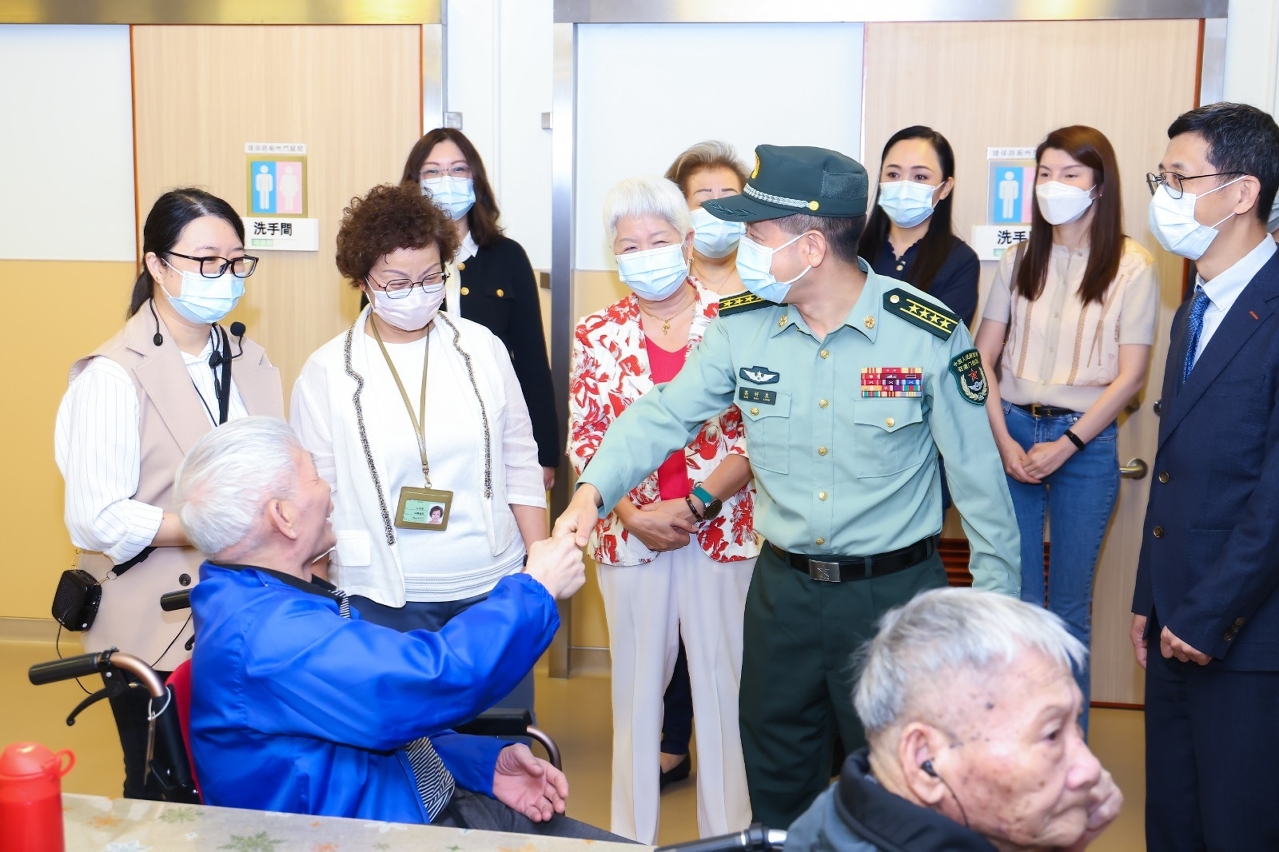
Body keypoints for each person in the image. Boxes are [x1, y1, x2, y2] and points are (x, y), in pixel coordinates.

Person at [554, 144, 1020, 830]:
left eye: (755, 233)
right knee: (775, 791)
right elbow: (662, 415)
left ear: (810, 247)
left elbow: (983, 495)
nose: (739, 245)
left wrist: (996, 635)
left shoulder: (925, 333)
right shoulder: (743, 329)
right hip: (782, 599)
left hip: (891, 601)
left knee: (900, 798)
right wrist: (590, 494)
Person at [175, 417, 616, 839]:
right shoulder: (269, 635)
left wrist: (481, 764)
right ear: (283, 516)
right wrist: (536, 588)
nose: (329, 490)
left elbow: (363, 731)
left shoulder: (264, 601)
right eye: (315, 476)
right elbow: (429, 679)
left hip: (415, 804)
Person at [53, 188, 283, 800]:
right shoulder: (112, 375)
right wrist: (213, 524)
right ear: (156, 264)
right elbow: (97, 518)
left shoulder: (251, 360)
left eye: (236, 262)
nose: (225, 276)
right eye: (206, 261)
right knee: (165, 792)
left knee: (240, 789)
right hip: (154, 627)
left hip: (245, 614)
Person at [290, 182, 546, 714]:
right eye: (397, 282)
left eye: (431, 277)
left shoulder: (482, 349)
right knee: (406, 747)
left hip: (490, 587)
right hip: (382, 597)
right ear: (363, 281)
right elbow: (319, 491)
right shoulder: (327, 372)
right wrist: (315, 595)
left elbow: (520, 457)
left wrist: (537, 566)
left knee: (498, 744)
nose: (418, 293)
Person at [569, 176, 757, 843]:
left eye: (657, 239)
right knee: (635, 701)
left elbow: (756, 432)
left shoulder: (739, 320)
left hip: (722, 531)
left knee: (724, 696)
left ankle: (728, 835)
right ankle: (630, 837)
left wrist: (700, 501)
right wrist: (629, 513)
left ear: (687, 242)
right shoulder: (596, 333)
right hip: (630, 537)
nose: (644, 254)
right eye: (629, 245)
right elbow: (587, 438)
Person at [974, 126, 1157, 735]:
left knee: (1071, 608)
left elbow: (1131, 377)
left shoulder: (1133, 266)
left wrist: (1068, 444)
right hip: (1012, 431)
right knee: (1021, 604)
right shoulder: (1018, 259)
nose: (1054, 186)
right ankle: (1023, 742)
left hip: (1085, 443)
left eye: (1070, 174)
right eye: (1046, 174)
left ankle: (1065, 751)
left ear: (1099, 186)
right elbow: (980, 358)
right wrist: (1004, 442)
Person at [1135, 101, 1279, 851]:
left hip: (1246, 633)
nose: (1164, 196)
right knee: (1173, 824)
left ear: (1242, 192)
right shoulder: (1192, 307)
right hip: (1172, 615)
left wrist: (1207, 614)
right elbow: (1172, 469)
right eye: (1160, 178)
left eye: (1179, 178)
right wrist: (1147, 599)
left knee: (1237, 827)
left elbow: (1274, 498)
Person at [786, 588, 1123, 852]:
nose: (1090, 768)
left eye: (1075, 723)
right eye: (1051, 735)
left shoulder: (839, 809)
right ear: (926, 762)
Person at [659, 141, 753, 783]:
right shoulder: (663, 285)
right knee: (665, 634)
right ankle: (672, 741)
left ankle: (727, 760)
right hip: (658, 491)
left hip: (739, 496)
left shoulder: (767, 289)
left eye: (730, 198)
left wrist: (706, 495)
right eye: (703, 198)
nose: (717, 210)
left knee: (725, 642)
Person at [402, 129, 560, 490]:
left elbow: (532, 361)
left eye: (458, 169)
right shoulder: (393, 259)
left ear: (476, 180)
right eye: (433, 172)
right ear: (415, 184)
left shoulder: (508, 257)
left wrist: (545, 453)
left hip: (497, 427)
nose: (447, 180)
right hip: (416, 430)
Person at [858, 126, 979, 326]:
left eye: (920, 177)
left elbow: (944, 337)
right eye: (893, 174)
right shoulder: (849, 249)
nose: (903, 186)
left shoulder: (960, 261)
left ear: (945, 187)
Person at [665, 141, 751, 297]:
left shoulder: (769, 282)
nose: (718, 211)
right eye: (704, 203)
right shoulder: (665, 287)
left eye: (729, 201)